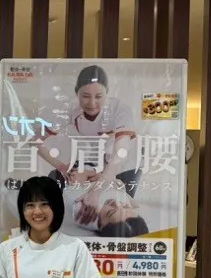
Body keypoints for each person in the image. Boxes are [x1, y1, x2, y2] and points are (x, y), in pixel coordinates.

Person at [39, 64, 141, 198]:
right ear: (77, 92)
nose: (92, 103)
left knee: (116, 204)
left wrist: (99, 187)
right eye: (86, 96)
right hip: (93, 165)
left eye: (98, 96)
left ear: (107, 92)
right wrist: (61, 167)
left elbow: (120, 154)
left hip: (123, 165)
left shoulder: (119, 110)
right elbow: (35, 140)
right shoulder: (70, 109)